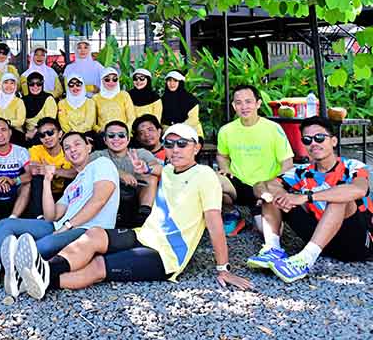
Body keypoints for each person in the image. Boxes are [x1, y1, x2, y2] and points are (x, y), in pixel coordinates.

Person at [12, 123, 253, 300]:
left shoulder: (205, 175)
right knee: (95, 234)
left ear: (197, 147)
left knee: (98, 267)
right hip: (144, 235)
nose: (175, 149)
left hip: (166, 255)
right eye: (170, 144)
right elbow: (160, 170)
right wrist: (144, 167)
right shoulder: (171, 170)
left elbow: (214, 224)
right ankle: (39, 271)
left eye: (182, 144)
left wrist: (223, 269)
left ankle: (41, 277)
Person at [0, 131, 120, 294]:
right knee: (7, 224)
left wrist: (67, 226)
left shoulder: (101, 164)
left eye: (77, 144)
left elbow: (99, 200)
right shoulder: (74, 184)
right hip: (60, 226)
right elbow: (51, 215)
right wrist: (47, 181)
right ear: (65, 155)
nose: (72, 150)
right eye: (67, 148)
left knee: (43, 245)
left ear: (88, 147)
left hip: (88, 230)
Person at [246, 117, 373, 282]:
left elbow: (359, 189)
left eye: (319, 138)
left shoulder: (352, 166)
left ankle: (304, 260)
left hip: (356, 243)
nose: (313, 143)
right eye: (307, 140)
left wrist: (305, 197)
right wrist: (272, 195)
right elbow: (261, 185)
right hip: (320, 240)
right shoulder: (301, 172)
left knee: (339, 197)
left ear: (333, 141)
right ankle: (272, 249)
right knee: (274, 194)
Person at [217, 85, 294, 236]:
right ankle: (232, 213)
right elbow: (222, 155)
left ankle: (261, 213)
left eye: (248, 102)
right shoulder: (226, 130)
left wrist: (274, 186)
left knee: (270, 233)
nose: (244, 107)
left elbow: (287, 164)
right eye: (239, 102)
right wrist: (225, 168)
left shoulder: (273, 129)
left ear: (258, 103)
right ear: (233, 106)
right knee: (211, 180)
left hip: (264, 188)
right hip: (238, 183)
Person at [92, 121, 162, 227]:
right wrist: (119, 173)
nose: (116, 139)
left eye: (121, 135)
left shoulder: (140, 153)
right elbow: (86, 171)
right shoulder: (98, 155)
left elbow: (160, 169)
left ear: (128, 139)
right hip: (111, 197)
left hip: (138, 196)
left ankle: (144, 215)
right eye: (111, 136)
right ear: (105, 140)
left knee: (152, 176)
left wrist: (146, 168)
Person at [25, 118, 78, 217]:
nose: (47, 138)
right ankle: (39, 216)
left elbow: (76, 172)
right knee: (37, 179)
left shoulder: (68, 149)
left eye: (50, 133)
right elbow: (34, 170)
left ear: (60, 134)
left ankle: (70, 215)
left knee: (72, 180)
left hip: (64, 192)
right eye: (42, 135)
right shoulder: (36, 150)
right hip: (44, 193)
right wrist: (61, 171)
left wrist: (52, 170)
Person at [160, 70, 203, 138]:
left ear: (181, 82)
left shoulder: (191, 100)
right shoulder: (162, 100)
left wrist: (177, 130)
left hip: (191, 133)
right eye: (169, 80)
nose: (172, 83)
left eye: (175, 80)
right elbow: (161, 122)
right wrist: (170, 131)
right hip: (169, 134)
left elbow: (193, 120)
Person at [94, 67, 135, 133]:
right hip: (104, 135)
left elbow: (131, 118)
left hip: (124, 134)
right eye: (107, 79)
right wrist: (100, 130)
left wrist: (124, 131)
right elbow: (93, 123)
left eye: (114, 79)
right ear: (102, 80)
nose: (111, 82)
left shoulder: (124, 95)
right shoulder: (95, 98)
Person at [0, 73, 27, 146]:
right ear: (1, 85)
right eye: (6, 83)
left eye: (12, 83)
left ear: (15, 86)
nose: (9, 86)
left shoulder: (18, 101)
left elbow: (20, 121)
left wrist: (6, 123)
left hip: (15, 133)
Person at [23, 72, 58, 143]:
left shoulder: (48, 98)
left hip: (45, 133)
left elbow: (50, 121)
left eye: (39, 84)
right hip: (27, 134)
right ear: (28, 85)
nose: (35, 86)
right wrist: (25, 134)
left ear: (42, 84)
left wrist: (35, 130)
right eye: (31, 84)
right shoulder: (23, 100)